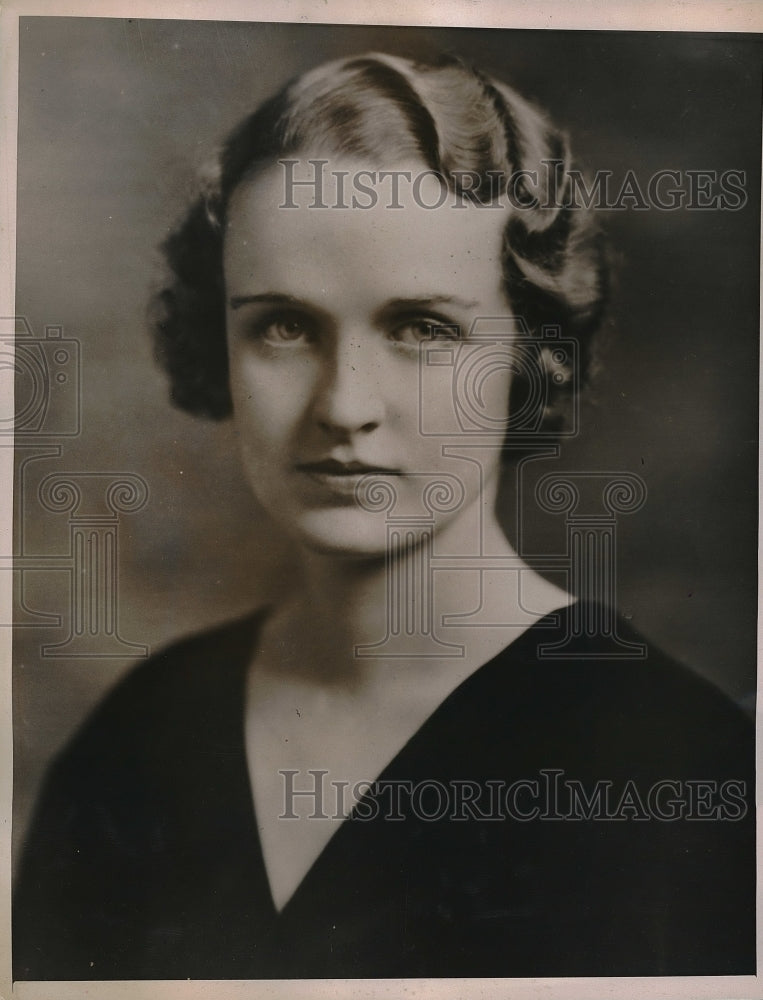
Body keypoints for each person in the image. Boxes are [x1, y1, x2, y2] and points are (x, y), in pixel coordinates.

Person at [13, 51, 754, 981]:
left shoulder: (682, 770)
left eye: (421, 328)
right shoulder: (140, 741)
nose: (342, 405)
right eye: (283, 325)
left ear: (528, 356)